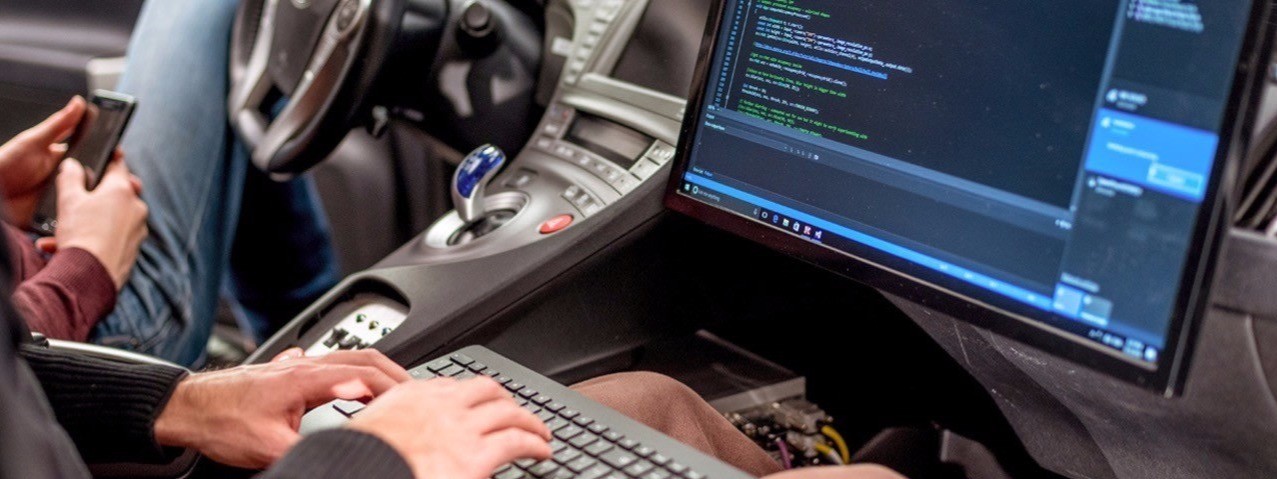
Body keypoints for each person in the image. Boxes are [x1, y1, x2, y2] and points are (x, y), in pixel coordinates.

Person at [0, 0, 341, 366]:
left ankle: (307, 333)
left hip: (45, 280)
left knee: (233, 67)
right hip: (88, 328)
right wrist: (86, 266)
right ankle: (312, 325)